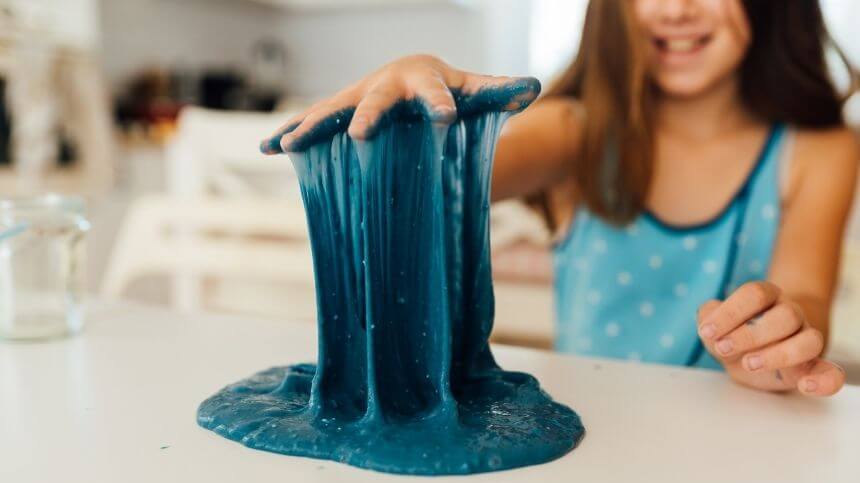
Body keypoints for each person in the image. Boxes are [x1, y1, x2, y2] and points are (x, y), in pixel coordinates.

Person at [262, 0, 858, 397]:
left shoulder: (822, 150)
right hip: (589, 453)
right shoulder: (577, 131)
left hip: (741, 453)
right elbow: (445, 178)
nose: (676, 9)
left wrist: (777, 345)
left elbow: (806, 301)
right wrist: (420, 93)